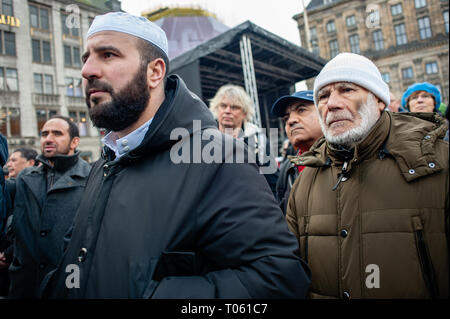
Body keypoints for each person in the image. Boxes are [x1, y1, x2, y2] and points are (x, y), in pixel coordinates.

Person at [41, 12, 310, 299]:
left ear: (155, 72)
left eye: (108, 55)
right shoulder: (107, 160)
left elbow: (279, 278)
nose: (88, 70)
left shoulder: (217, 157)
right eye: (86, 58)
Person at [286, 52, 449, 299]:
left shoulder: (438, 164)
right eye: (323, 96)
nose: (332, 103)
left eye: (347, 90)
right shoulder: (305, 181)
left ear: (379, 100)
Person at [5, 116, 91, 298]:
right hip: (25, 283)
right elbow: (14, 214)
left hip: (67, 282)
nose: (48, 138)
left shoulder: (91, 177)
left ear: (74, 141)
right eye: (44, 134)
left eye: (57, 133)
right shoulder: (26, 177)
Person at [209, 84, 279, 197]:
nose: (227, 111)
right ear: (216, 109)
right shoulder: (205, 137)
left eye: (234, 107)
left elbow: (273, 184)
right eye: (223, 106)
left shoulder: (258, 141)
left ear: (245, 113)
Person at [270, 90, 323, 214]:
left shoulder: (347, 159)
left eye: (302, 110)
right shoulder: (287, 169)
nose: (291, 121)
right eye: (286, 117)